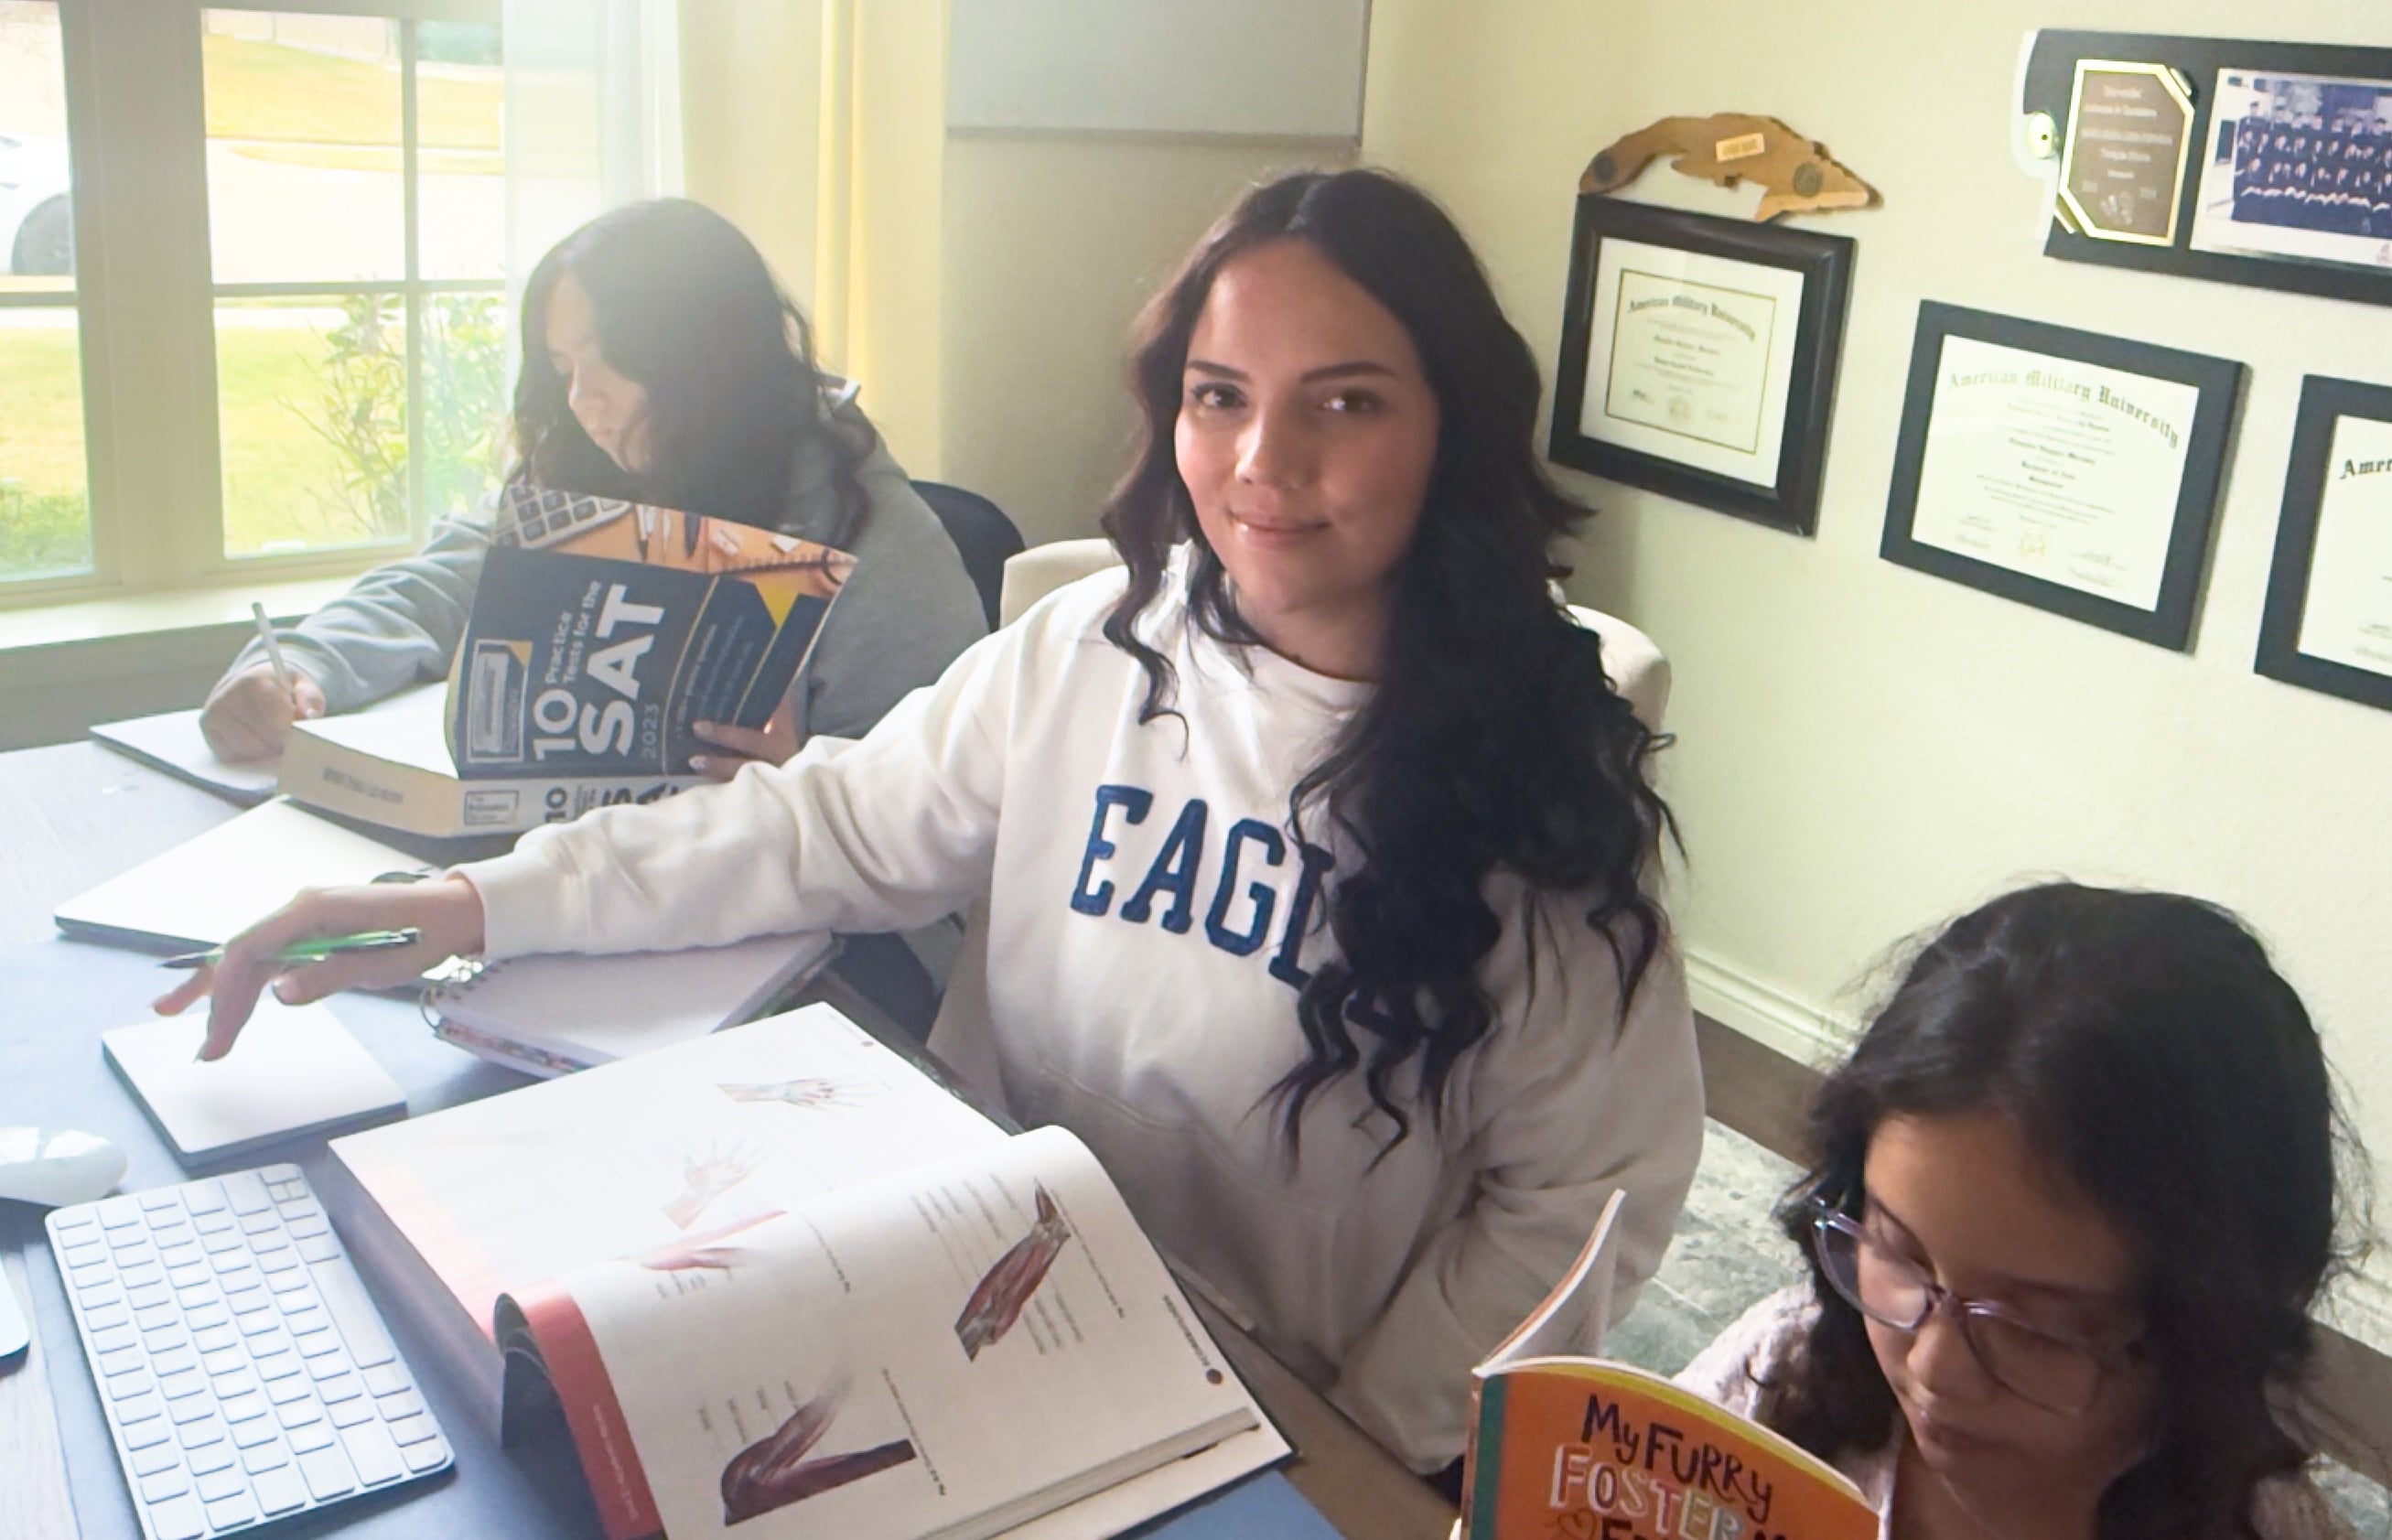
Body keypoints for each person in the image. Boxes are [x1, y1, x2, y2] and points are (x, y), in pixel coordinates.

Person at [158, 168, 1706, 1471]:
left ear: (1448, 423)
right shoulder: (1085, 654)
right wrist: (472, 904)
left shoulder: (1533, 784)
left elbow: (1590, 1192)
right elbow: (811, 828)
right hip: (951, 1317)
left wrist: (1354, 1437)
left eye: (1344, 402)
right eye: (1216, 396)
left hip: (1266, 1425)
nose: (1259, 465)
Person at [199, 199, 986, 777]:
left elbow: (949, 802)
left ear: (705, 356)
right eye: (564, 367)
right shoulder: (586, 468)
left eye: (612, 360)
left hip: (812, 933)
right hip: (591, 889)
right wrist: (301, 664)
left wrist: (805, 781)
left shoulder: (878, 536)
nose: (583, 401)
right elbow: (436, 584)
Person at [1675, 883, 2365, 1540]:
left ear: (2205, 1329)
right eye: (1899, 1252)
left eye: (2036, 1324)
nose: (1934, 1367)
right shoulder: (1787, 1367)